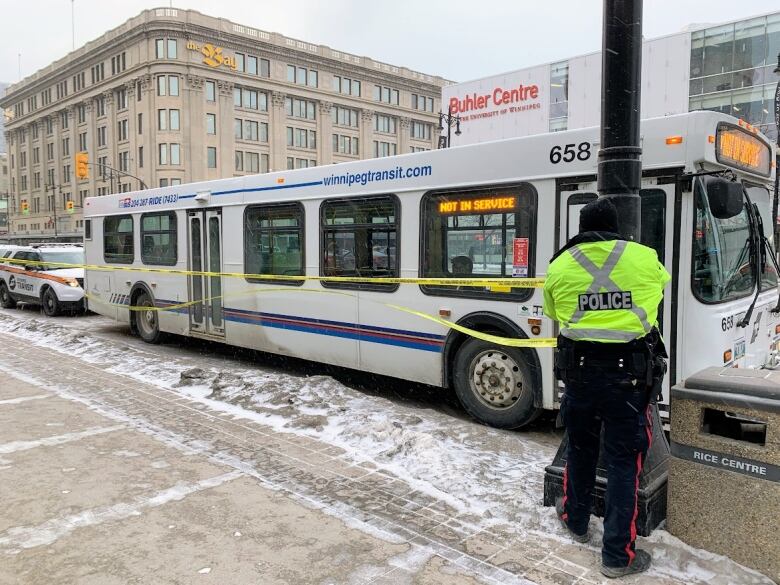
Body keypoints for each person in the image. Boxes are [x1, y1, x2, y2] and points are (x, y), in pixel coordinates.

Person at [543, 197, 670, 579]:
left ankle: (576, 521)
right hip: (628, 381)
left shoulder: (559, 265)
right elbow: (659, 291)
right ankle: (617, 556)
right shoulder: (644, 257)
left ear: (581, 228)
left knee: (580, 451)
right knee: (622, 464)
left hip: (579, 377)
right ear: (618, 227)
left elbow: (553, 312)